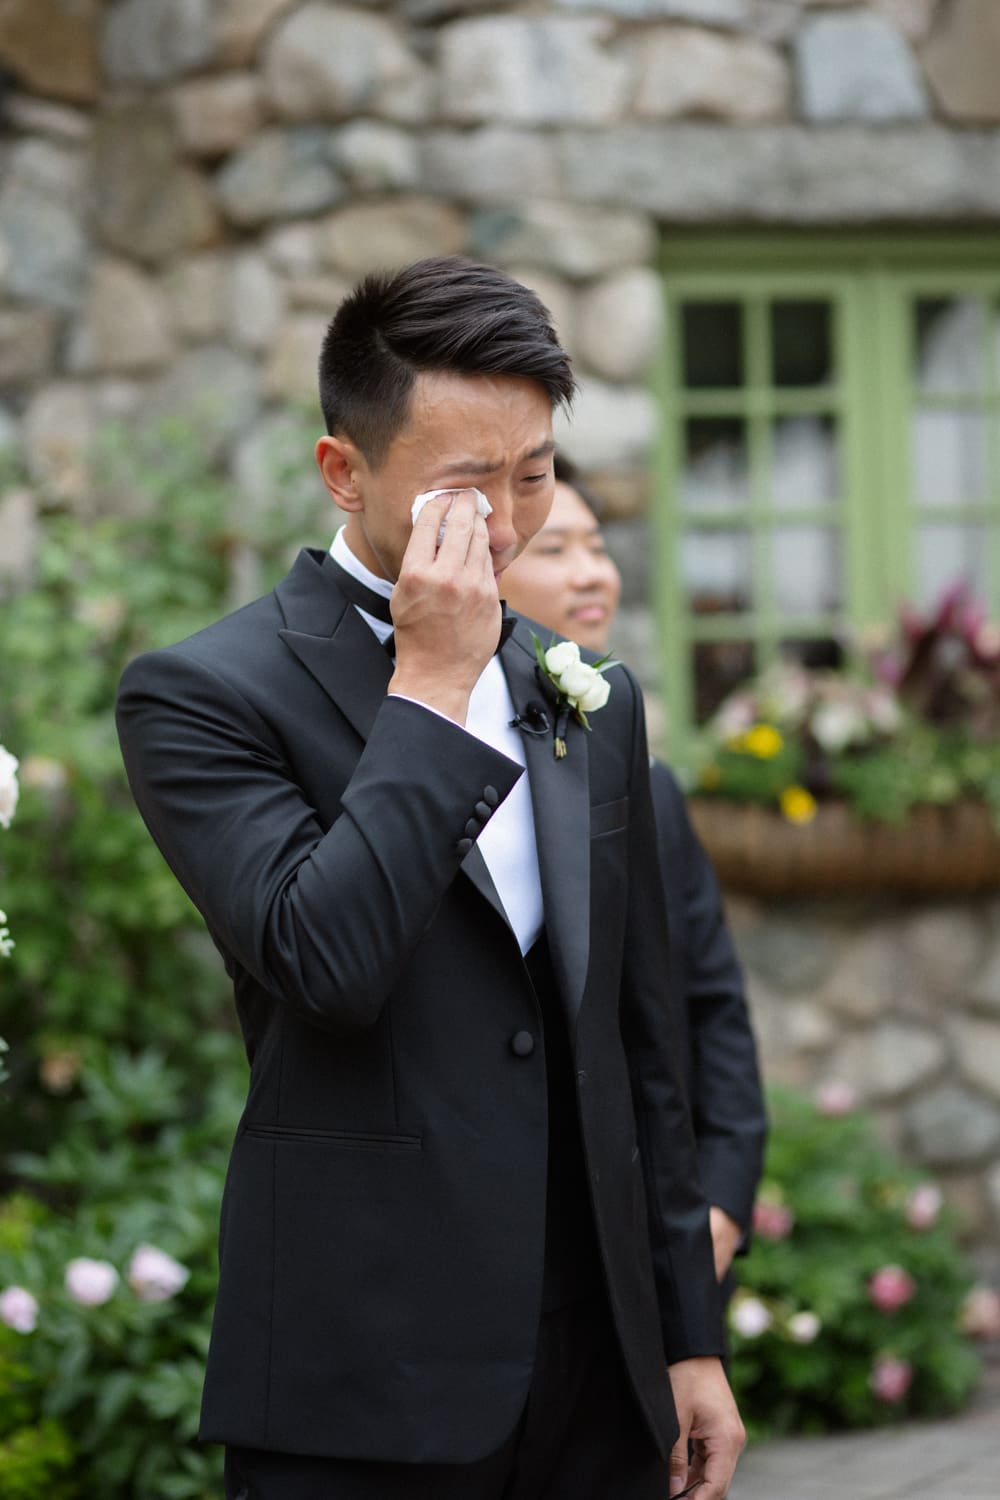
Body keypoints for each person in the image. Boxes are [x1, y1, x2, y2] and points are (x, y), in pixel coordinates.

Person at [116, 257, 744, 1500]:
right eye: (466, 485)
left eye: (534, 475)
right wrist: (432, 687)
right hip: (366, 1371)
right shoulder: (203, 694)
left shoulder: (589, 697)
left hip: (595, 1370)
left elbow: (638, 1049)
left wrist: (686, 1335)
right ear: (343, 472)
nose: (506, 528)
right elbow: (325, 962)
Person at [501, 457, 767, 1290]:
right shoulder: (456, 770)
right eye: (556, 551)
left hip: (663, 1227)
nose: (593, 574)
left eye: (599, 546)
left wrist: (720, 1201)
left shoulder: (648, 784)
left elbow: (710, 1005)